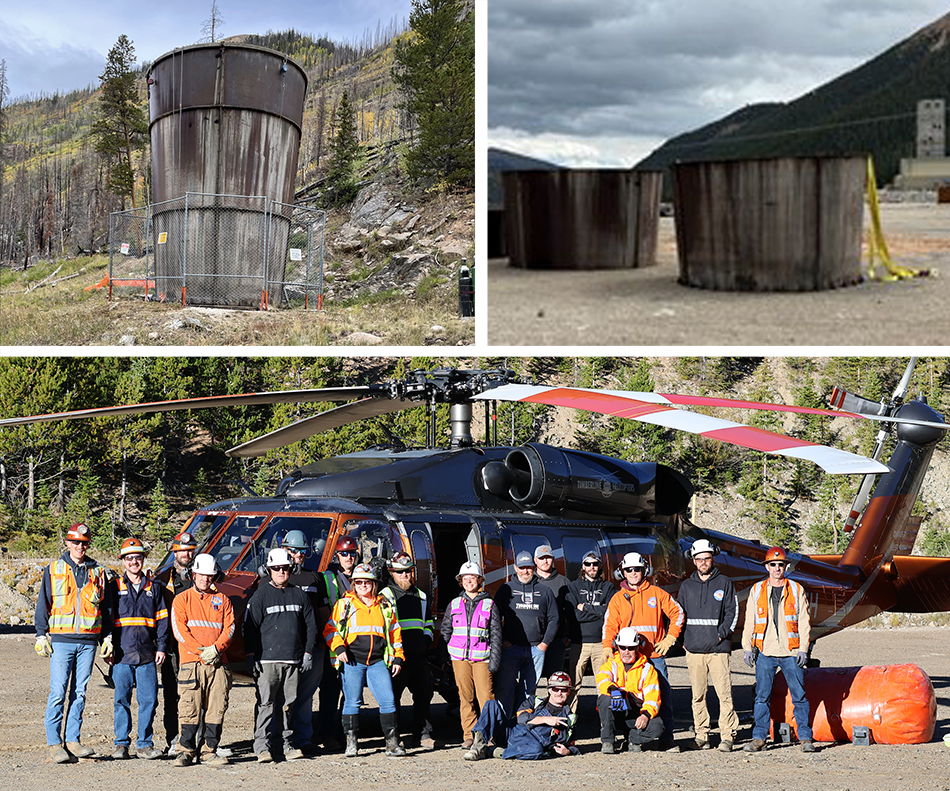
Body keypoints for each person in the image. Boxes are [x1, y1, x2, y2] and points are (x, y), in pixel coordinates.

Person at [34, 522, 111, 763]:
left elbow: (106, 609)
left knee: (79, 693)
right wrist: (40, 634)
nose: (80, 546)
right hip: (62, 641)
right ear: (68, 543)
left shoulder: (98, 572)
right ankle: (54, 743)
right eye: (76, 542)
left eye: (84, 543)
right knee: (58, 692)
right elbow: (43, 603)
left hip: (88, 642)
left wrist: (107, 637)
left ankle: (73, 740)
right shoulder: (54, 568)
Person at [601, 551, 683, 751]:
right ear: (623, 572)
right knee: (625, 698)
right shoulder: (618, 598)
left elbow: (677, 613)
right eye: (629, 570)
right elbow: (610, 624)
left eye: (637, 569)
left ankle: (667, 739)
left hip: (653, 657)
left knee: (662, 697)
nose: (633, 573)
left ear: (644, 570)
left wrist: (670, 637)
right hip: (628, 658)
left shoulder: (657, 593)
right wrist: (606, 645)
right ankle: (629, 735)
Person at [324, 562, 406, 758]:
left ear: (374, 584)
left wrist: (398, 658)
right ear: (353, 584)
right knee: (352, 702)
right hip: (353, 661)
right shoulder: (345, 604)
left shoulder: (384, 605)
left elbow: (395, 633)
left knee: (388, 701)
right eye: (358, 582)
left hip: (378, 662)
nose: (363, 585)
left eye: (367, 582)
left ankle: (392, 744)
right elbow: (330, 629)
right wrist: (339, 647)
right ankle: (351, 744)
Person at [244, 547, 317, 763]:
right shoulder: (260, 595)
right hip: (267, 661)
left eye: (284, 568)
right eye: (276, 568)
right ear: (269, 569)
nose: (281, 572)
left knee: (288, 705)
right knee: (266, 704)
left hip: (293, 660)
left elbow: (311, 626)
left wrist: (307, 653)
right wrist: (251, 655)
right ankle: (262, 747)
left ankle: (286, 744)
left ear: (290, 568)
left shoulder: (299, 595)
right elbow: (250, 628)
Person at [741, 546, 815, 753]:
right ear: (767, 567)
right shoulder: (757, 590)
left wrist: (803, 648)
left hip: (791, 652)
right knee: (762, 696)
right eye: (772, 564)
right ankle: (759, 737)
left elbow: (804, 621)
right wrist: (747, 647)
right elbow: (750, 621)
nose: (776, 568)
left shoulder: (796, 589)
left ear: (786, 566)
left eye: (780, 564)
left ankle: (806, 738)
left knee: (799, 695)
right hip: (765, 652)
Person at [170, 553, 235, 767]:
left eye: (209, 576)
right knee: (189, 707)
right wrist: (200, 652)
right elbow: (180, 631)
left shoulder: (223, 600)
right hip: (191, 663)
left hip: (218, 663)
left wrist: (216, 649)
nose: (205, 579)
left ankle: (209, 751)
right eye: (201, 575)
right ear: (193, 574)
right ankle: (185, 751)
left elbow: (230, 627)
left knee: (216, 708)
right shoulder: (182, 599)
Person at [108, 537, 170, 760]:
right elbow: (107, 619)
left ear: (143, 559)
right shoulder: (113, 587)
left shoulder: (154, 588)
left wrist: (161, 647)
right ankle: (121, 744)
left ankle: (144, 744)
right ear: (123, 561)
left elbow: (163, 620)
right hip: (121, 655)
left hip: (147, 655)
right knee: (121, 700)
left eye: (138, 557)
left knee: (149, 701)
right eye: (129, 558)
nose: (134, 561)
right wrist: (107, 647)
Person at [679, 538, 739, 752]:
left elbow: (733, 613)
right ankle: (702, 735)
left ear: (712, 559)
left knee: (724, 694)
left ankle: (727, 736)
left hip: (718, 650)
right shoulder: (686, 586)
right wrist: (684, 641)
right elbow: (680, 616)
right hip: (694, 650)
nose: (703, 562)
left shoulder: (724, 583)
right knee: (698, 695)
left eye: (706, 558)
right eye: (699, 559)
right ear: (693, 561)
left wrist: (720, 636)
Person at [441, 561, 501, 749]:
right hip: (460, 660)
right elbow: (445, 632)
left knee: (486, 697)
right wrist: (444, 658)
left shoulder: (489, 604)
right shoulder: (454, 604)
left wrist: (494, 662)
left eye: (472, 577)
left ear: (479, 580)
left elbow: (496, 635)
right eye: (465, 578)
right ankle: (469, 735)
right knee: (465, 697)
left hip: (482, 659)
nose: (468, 581)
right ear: (461, 581)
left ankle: (488, 735)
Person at [493, 551, 559, 717]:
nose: (525, 571)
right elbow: (493, 617)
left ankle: (522, 726)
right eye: (522, 567)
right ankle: (504, 727)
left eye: (528, 567)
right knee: (504, 689)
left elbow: (554, 619)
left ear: (533, 567)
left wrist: (544, 644)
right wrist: (503, 642)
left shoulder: (545, 591)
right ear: (515, 568)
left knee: (529, 691)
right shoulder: (506, 589)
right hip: (510, 649)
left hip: (536, 650)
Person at [381, 551, 435, 748]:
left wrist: (425, 641)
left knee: (424, 695)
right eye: (400, 572)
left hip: (419, 656)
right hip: (396, 658)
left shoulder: (420, 596)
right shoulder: (386, 595)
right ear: (391, 573)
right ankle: (394, 737)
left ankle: (423, 734)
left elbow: (428, 623)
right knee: (392, 698)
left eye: (408, 571)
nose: (405, 575)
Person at [462, 671, 578, 761]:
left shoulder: (570, 718)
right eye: (555, 689)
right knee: (491, 704)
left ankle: (493, 752)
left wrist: (567, 751)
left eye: (563, 690)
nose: (559, 693)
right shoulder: (534, 701)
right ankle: (478, 746)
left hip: (530, 743)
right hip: (511, 732)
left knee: (536, 751)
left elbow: (572, 745)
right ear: (549, 690)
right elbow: (521, 718)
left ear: (568, 692)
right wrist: (546, 720)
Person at [281, 530, 326, 754]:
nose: (297, 555)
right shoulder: (275, 577)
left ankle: (302, 739)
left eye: (301, 552)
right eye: (293, 551)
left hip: (313, 646)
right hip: (285, 647)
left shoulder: (314, 578)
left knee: (306, 696)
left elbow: (324, 613)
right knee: (283, 696)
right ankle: (281, 739)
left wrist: (323, 643)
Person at [315, 534, 359, 750]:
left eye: (352, 553)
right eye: (344, 554)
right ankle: (327, 734)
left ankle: (346, 734)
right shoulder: (326, 578)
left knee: (351, 693)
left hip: (357, 643)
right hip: (333, 644)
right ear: (337, 556)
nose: (348, 558)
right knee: (330, 691)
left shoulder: (365, 575)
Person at [156, 530, 196, 753]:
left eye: (189, 550)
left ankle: (194, 738)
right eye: (181, 550)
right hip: (172, 646)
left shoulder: (201, 576)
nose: (186, 554)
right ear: (174, 552)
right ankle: (173, 738)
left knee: (196, 692)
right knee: (171, 694)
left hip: (194, 645)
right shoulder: (163, 579)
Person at [596, 626, 664, 753]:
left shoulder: (647, 669)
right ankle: (608, 741)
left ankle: (633, 739)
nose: (626, 651)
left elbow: (653, 698)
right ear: (617, 647)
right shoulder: (611, 663)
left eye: (631, 648)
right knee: (604, 700)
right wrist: (613, 690)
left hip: (635, 713)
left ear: (638, 648)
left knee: (657, 726)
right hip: (617, 710)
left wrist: (645, 715)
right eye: (623, 647)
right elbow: (602, 678)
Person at [564, 551, 615, 712]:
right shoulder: (573, 587)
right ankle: (570, 721)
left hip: (602, 643)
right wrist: (598, 611)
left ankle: (605, 721)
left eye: (595, 564)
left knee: (603, 683)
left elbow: (610, 612)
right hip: (579, 643)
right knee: (574, 684)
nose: (591, 567)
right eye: (588, 564)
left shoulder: (608, 587)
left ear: (600, 565)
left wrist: (585, 607)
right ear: (583, 566)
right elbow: (573, 615)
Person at [533, 544, 570, 677]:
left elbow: (570, 613)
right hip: (533, 640)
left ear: (553, 559)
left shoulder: (563, 582)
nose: (545, 561)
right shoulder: (529, 582)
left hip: (556, 639)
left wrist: (567, 637)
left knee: (554, 678)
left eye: (548, 558)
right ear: (535, 560)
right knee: (531, 677)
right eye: (541, 558)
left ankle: (552, 699)